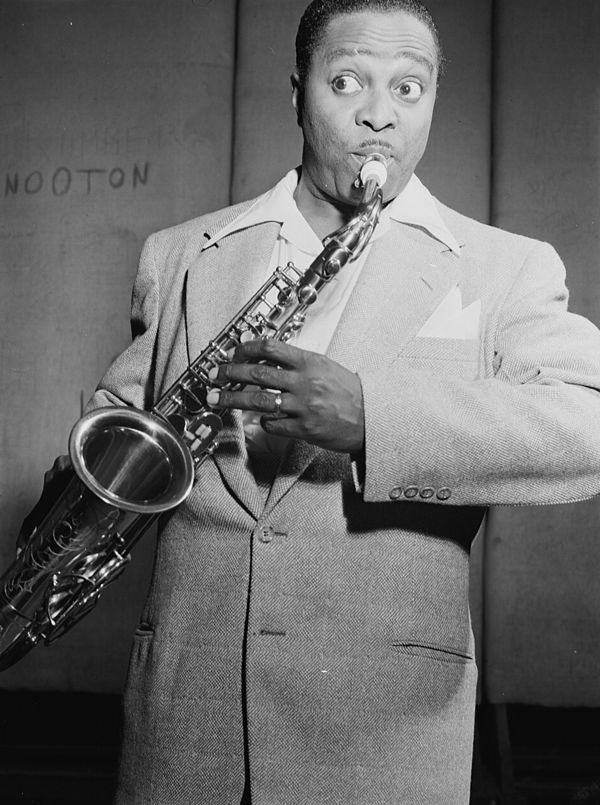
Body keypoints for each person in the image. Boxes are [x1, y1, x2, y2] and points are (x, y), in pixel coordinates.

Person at [62, 0, 600, 803]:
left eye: (409, 89)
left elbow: (587, 424)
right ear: (297, 90)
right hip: (184, 731)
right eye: (347, 81)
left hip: (382, 737)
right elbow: (126, 425)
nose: (379, 114)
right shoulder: (181, 253)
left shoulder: (502, 267)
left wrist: (372, 417)